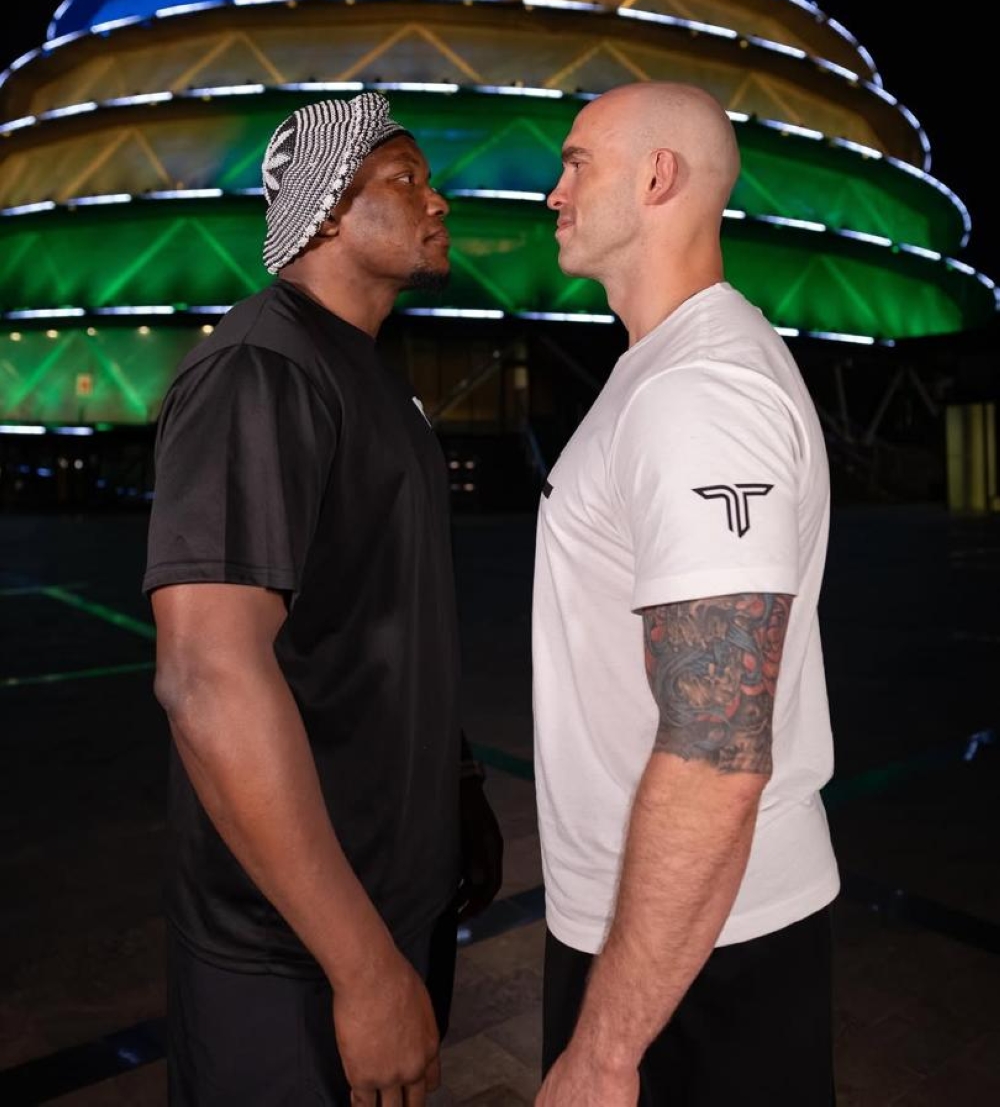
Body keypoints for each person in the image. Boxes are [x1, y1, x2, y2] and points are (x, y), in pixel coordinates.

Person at [143, 90, 503, 1106]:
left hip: (392, 896)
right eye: (406, 179)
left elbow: (379, 615)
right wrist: (359, 967)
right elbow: (208, 677)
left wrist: (455, 782)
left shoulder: (371, 375)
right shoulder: (262, 369)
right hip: (290, 949)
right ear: (328, 209)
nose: (437, 201)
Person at [531, 81, 840, 1106]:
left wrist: (606, 1051)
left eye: (577, 162)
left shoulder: (698, 393)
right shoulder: (658, 370)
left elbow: (716, 749)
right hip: (663, 930)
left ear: (657, 176)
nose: (551, 192)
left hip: (694, 951)